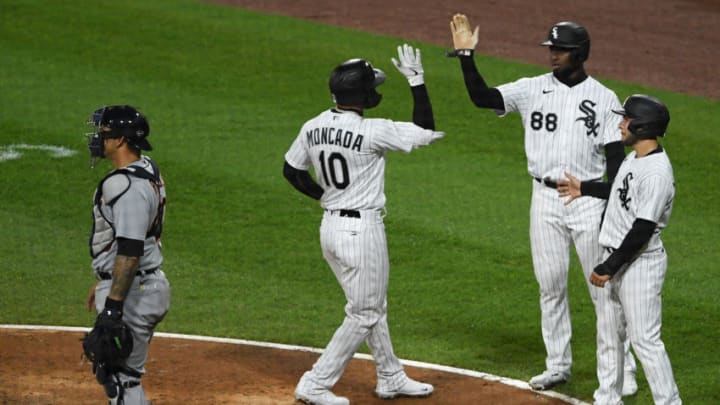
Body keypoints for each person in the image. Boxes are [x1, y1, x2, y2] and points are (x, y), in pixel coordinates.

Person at [448, 14, 638, 395]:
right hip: (544, 199)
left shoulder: (603, 99)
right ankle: (557, 365)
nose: (553, 55)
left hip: (586, 202)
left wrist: (593, 193)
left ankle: (623, 369)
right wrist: (466, 57)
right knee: (550, 285)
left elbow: (616, 165)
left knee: (604, 291)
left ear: (580, 53)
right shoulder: (532, 87)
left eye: (561, 50)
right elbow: (482, 98)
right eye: (551, 49)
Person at [283, 44, 443, 405]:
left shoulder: (313, 126)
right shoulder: (374, 131)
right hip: (362, 233)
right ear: (363, 94)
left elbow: (291, 170)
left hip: (330, 230)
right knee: (366, 311)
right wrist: (417, 81)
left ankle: (390, 376)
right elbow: (426, 128)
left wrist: (325, 196)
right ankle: (316, 382)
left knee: (371, 306)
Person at [559, 94, 681, 404]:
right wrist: (585, 188)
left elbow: (642, 228)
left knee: (645, 341)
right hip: (618, 258)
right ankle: (607, 399)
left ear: (642, 126)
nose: (620, 124)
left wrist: (608, 266)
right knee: (609, 336)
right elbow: (620, 191)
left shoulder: (657, 172)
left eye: (626, 119)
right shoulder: (636, 158)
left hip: (639, 265)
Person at [84, 105, 171, 405]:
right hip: (139, 283)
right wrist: (107, 279)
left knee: (122, 381)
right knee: (119, 375)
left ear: (121, 140)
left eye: (105, 133)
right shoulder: (147, 168)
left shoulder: (124, 186)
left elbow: (131, 250)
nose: (98, 139)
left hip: (135, 291)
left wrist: (113, 306)